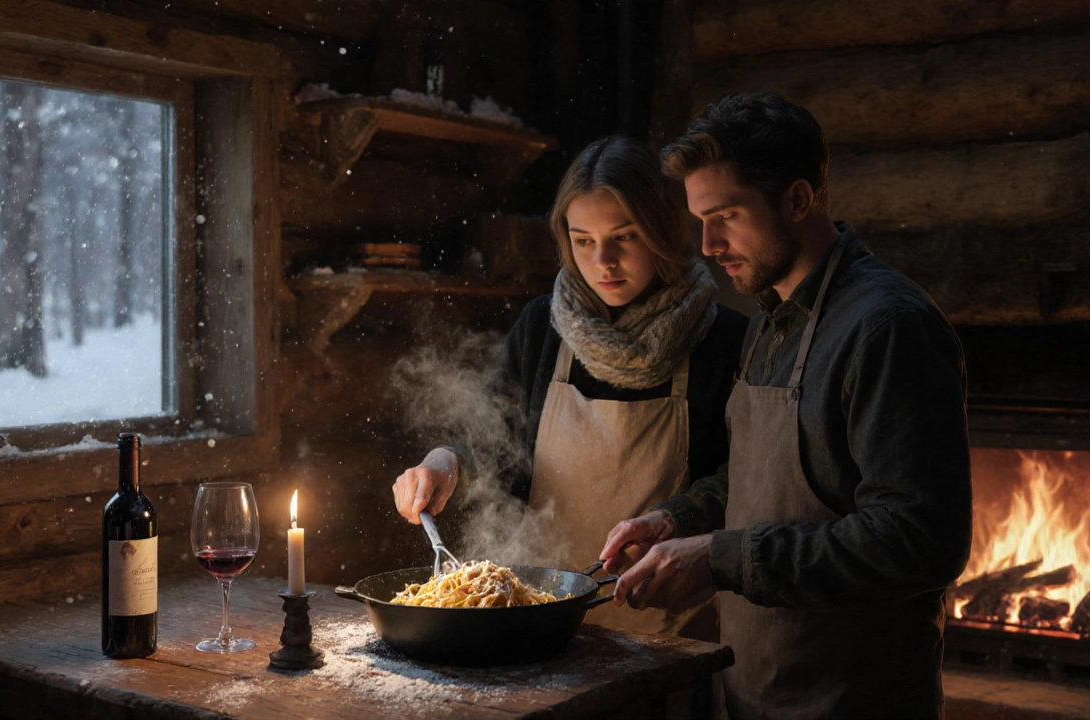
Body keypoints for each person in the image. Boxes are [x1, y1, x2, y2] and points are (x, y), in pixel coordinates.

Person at [599, 93, 972, 719]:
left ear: (798, 199)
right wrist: (676, 519)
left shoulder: (887, 328)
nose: (708, 244)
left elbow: (920, 539)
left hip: (855, 702)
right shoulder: (768, 321)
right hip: (758, 692)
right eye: (700, 221)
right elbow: (762, 479)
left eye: (726, 216)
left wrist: (720, 558)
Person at [392, 135, 748, 636]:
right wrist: (443, 463)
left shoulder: (725, 340)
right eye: (583, 241)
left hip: (673, 630)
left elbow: (745, 481)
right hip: (539, 613)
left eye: (624, 237)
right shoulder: (543, 328)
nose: (603, 260)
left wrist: (677, 518)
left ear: (662, 230)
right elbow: (492, 444)